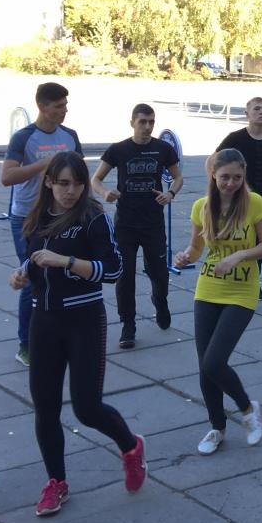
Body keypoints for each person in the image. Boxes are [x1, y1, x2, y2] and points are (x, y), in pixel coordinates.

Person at [9, 153, 146, 515]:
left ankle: (131, 446)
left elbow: (114, 270)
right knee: (45, 408)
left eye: (77, 183)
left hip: (84, 320)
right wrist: (22, 273)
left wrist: (67, 262)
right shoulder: (37, 218)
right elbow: (34, 259)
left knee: (87, 408)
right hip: (44, 322)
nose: (70, 191)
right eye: (63, 183)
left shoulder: (92, 218)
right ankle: (56, 482)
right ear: (49, 183)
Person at [172, 149, 262, 456]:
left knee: (214, 361)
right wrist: (185, 255)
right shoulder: (201, 207)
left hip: (242, 291)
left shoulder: (254, 203)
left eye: (237, 178)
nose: (230, 183)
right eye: (225, 177)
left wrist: (239, 255)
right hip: (208, 289)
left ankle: (247, 409)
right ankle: (217, 427)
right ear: (213, 175)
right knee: (205, 368)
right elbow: (196, 248)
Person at [1, 83, 81, 366]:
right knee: (32, 276)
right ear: (42, 107)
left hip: (61, 214)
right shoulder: (24, 138)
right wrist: (44, 165)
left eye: (65, 105)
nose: (64, 110)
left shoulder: (70, 135)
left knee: (61, 275)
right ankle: (26, 344)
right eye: (59, 106)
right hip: (27, 217)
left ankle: (58, 336)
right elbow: (7, 177)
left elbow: (79, 174)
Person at [92, 104, 182, 349]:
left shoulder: (163, 149)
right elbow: (95, 179)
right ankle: (128, 324)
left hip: (153, 223)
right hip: (126, 224)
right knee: (125, 276)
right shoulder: (118, 149)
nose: (147, 127)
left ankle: (160, 301)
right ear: (132, 122)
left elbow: (178, 176)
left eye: (151, 122)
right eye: (142, 122)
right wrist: (105, 192)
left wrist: (171, 193)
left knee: (159, 273)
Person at [217, 96, 262, 299]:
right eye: (257, 109)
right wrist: (220, 185)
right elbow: (214, 160)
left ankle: (253, 284)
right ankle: (230, 282)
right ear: (247, 113)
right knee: (236, 242)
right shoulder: (235, 138)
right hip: (237, 202)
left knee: (261, 245)